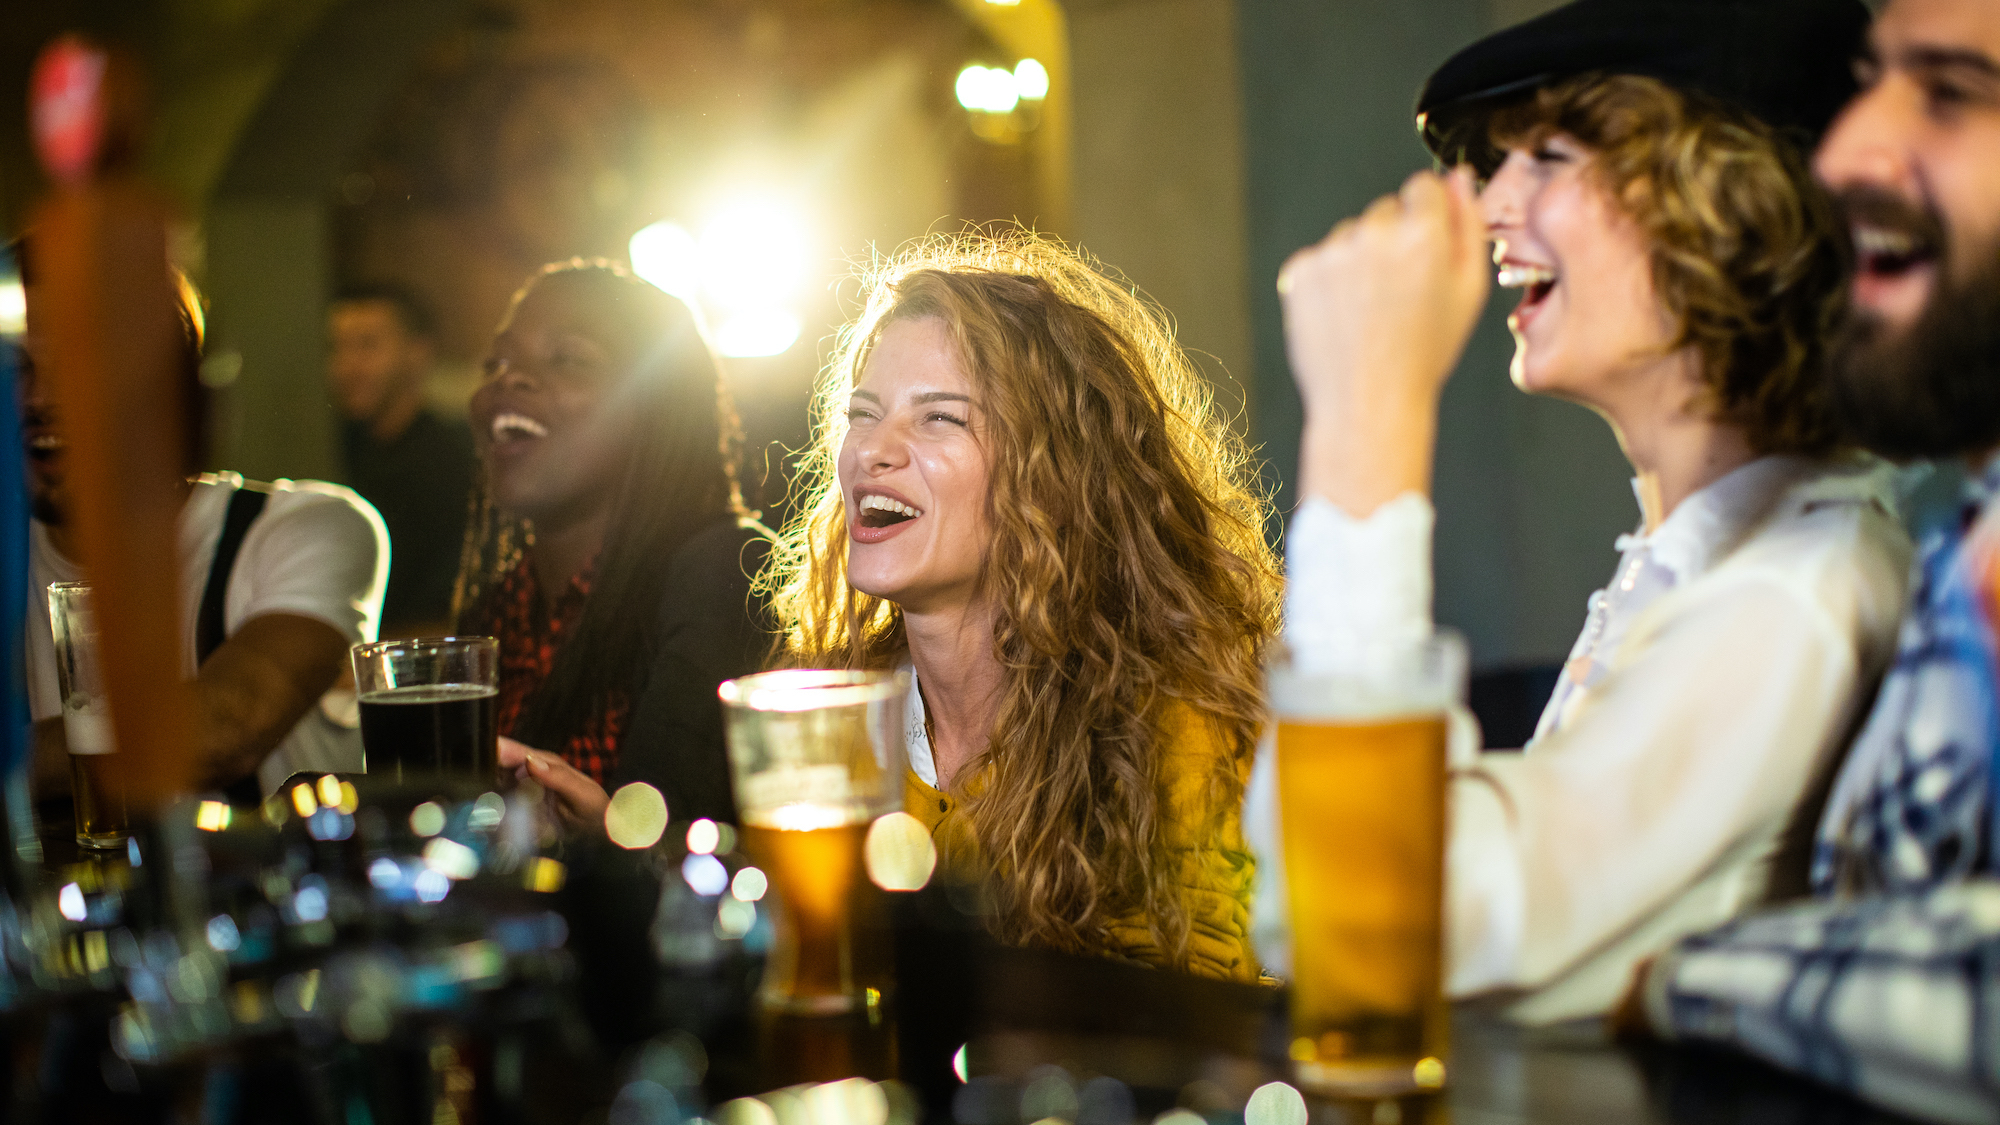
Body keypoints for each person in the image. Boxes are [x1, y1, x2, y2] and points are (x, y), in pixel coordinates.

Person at [1258, 0, 1912, 1024]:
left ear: (1727, 209)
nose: (1484, 211)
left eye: (1550, 156)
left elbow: (1365, 935)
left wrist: (1364, 418)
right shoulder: (1691, 558)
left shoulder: (1801, 590)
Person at [1625, 2, 2000, 1120]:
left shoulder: (1810, 576)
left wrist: (1685, 975)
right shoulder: (1960, 543)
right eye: (1869, 78)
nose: (1839, 153)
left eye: (1950, 90)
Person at [755, 231, 1281, 980]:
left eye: (940, 418)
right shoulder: (834, 713)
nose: (873, 449)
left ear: (1056, 474)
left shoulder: (1168, 726)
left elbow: (1185, 1026)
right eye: (862, 414)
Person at [17, 249, 388, 798]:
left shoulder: (304, 527)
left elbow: (224, 732)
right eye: (16, 368)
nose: (40, 399)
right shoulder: (11, 555)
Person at [459, 260, 771, 829]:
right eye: (497, 362)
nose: (509, 380)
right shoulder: (498, 613)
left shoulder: (724, 569)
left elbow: (677, 835)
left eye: (569, 360)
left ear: (659, 407)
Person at [327, 283, 475, 636]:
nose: (348, 366)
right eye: (337, 348)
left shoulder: (456, 462)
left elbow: (457, 614)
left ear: (417, 353)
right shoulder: (346, 453)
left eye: (367, 346)